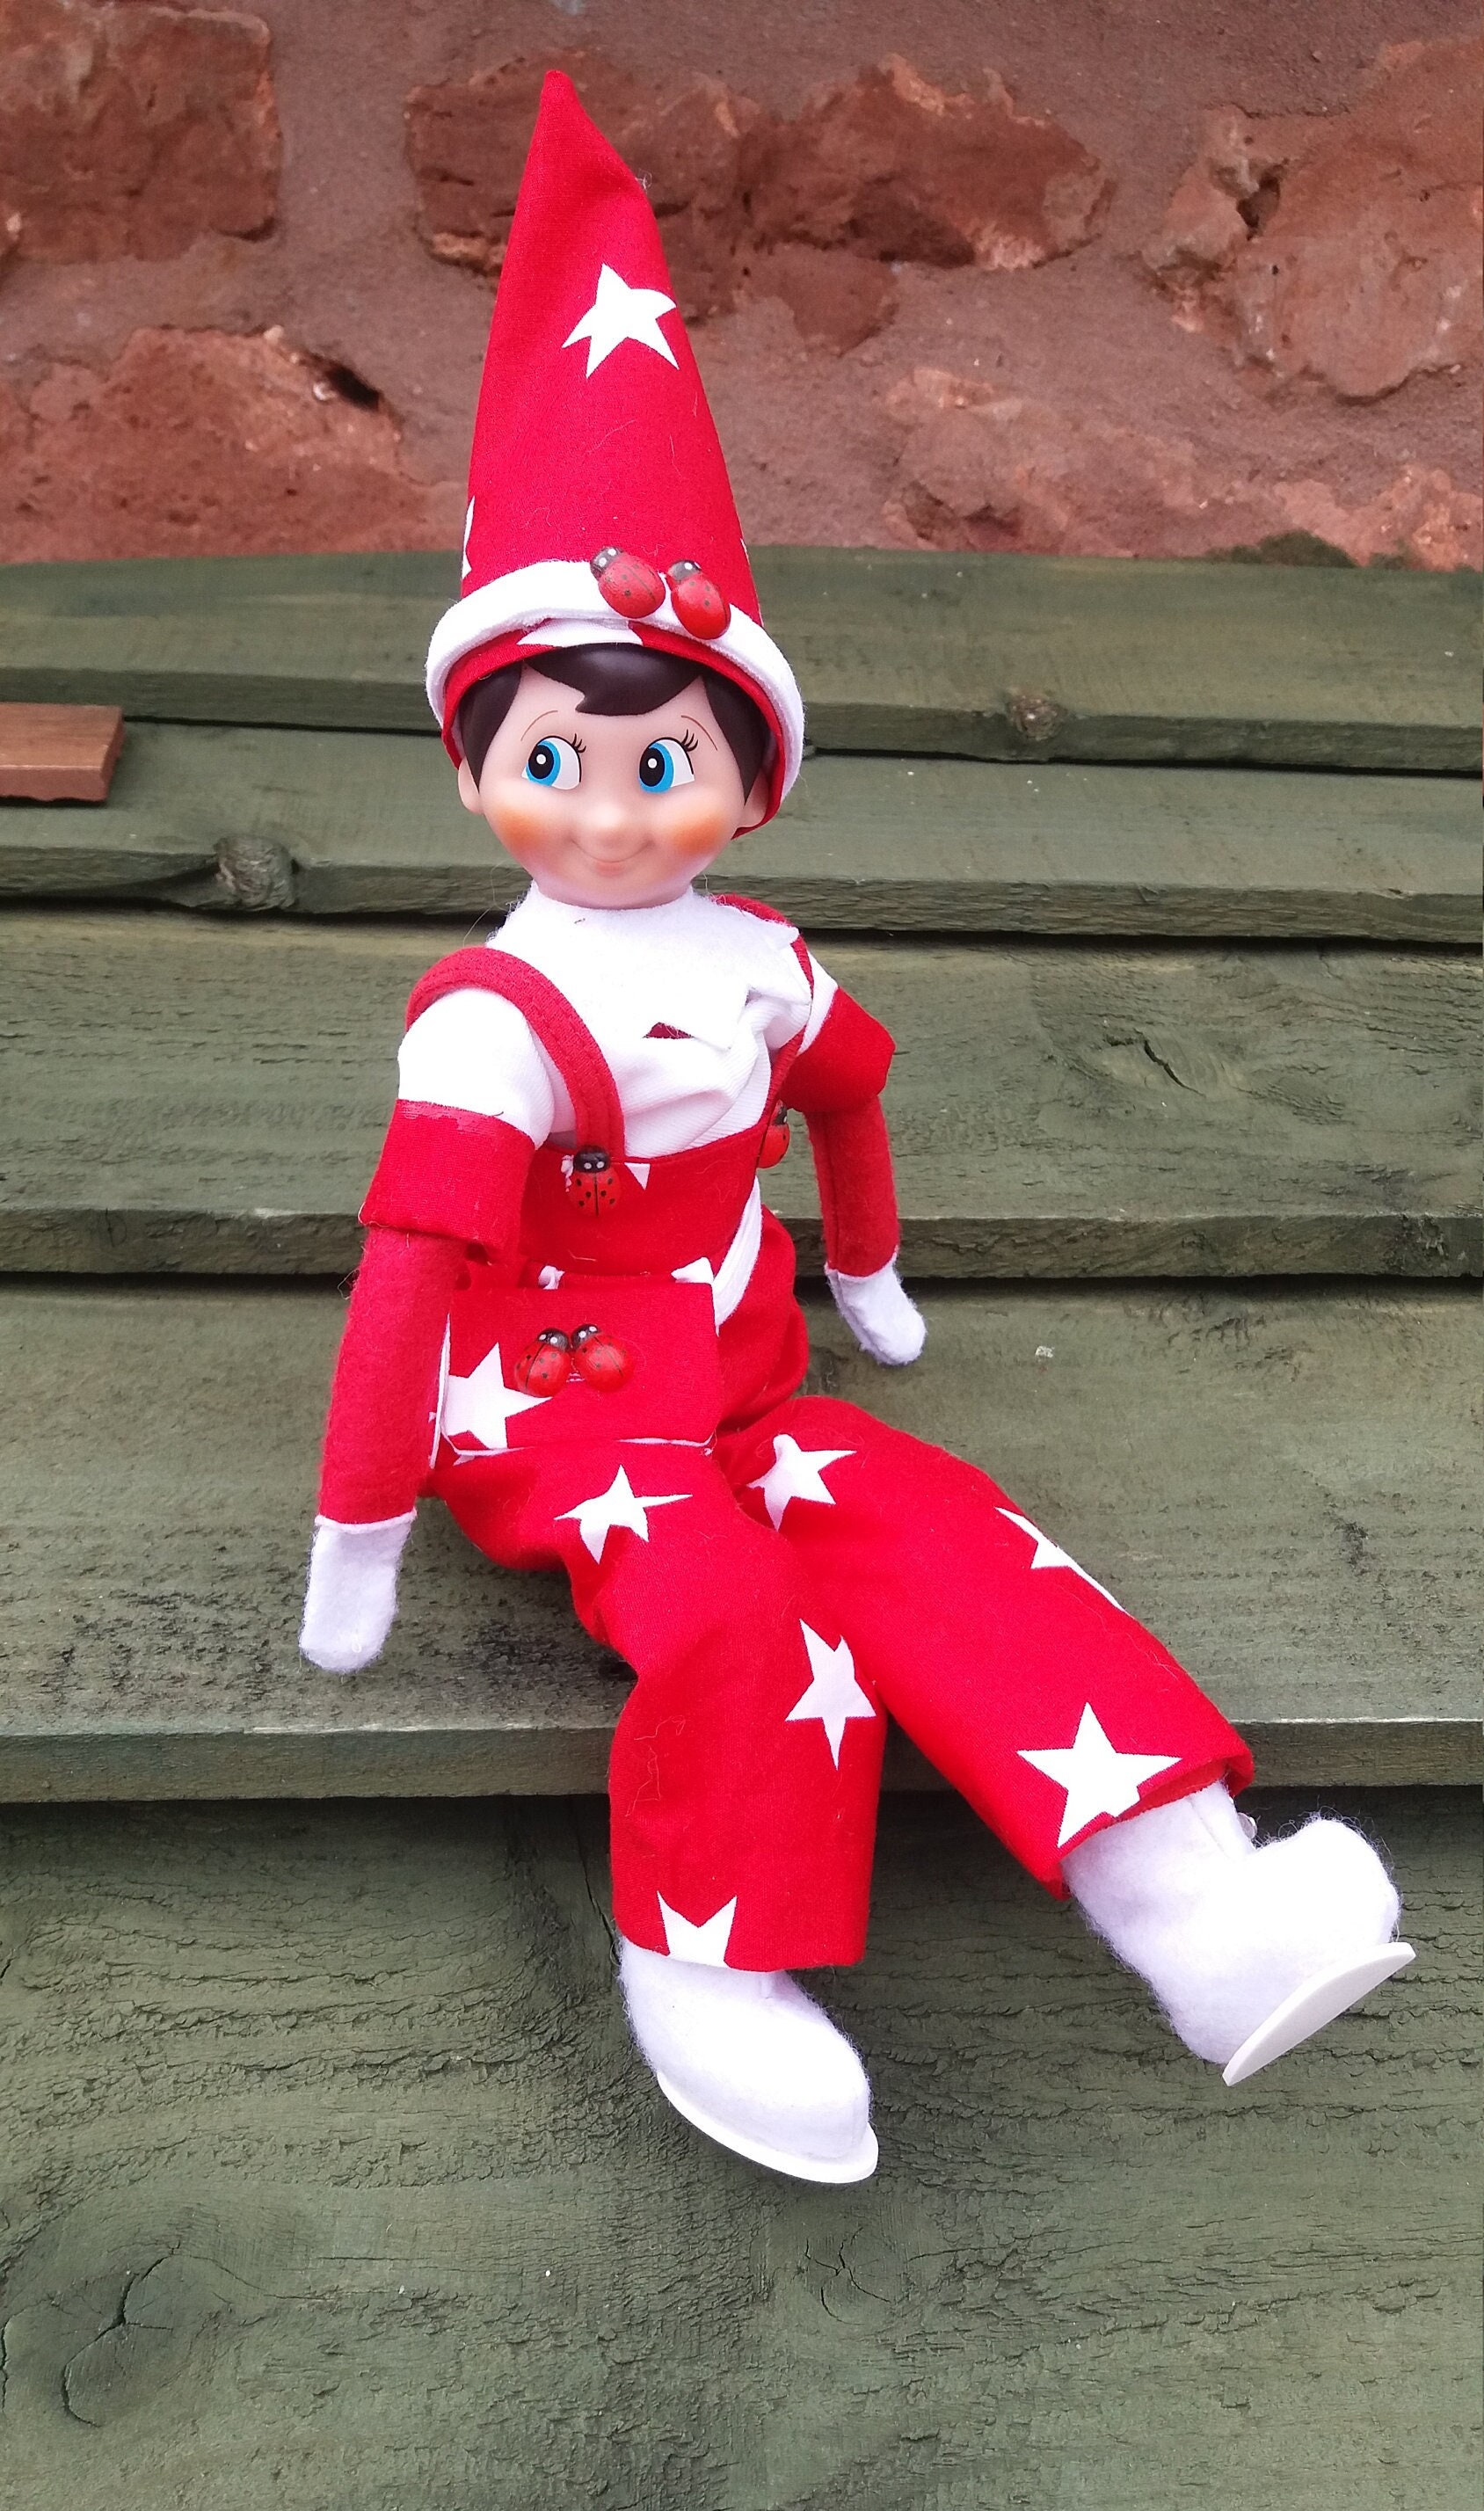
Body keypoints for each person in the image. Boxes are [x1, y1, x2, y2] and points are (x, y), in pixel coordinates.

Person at [300, 72, 1410, 2182]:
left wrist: (870, 1272)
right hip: (554, 1410)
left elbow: (853, 1089)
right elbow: (407, 1273)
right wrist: (359, 1528)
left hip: (743, 1380)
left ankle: (1192, 1893)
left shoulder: (760, 964)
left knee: (942, 1533)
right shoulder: (492, 1029)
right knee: (738, 1626)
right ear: (473, 768)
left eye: (662, 765)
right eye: (551, 759)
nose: (605, 813)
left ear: (750, 783)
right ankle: (707, 1953)